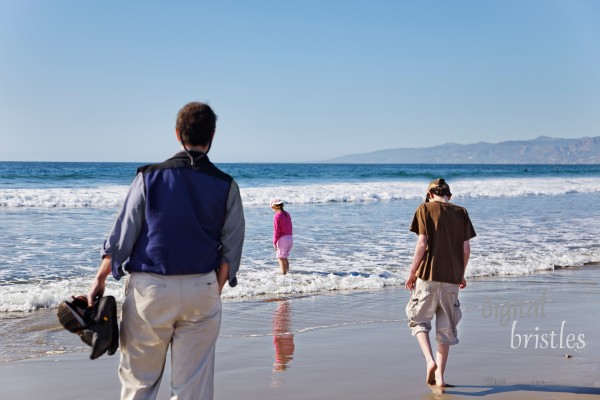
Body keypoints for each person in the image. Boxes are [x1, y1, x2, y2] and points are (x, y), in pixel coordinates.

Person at [87, 101, 245, 400]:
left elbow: (123, 235)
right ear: (212, 136)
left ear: (177, 134)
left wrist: (100, 278)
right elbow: (231, 248)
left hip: (151, 291)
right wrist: (215, 288)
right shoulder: (227, 185)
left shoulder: (148, 177)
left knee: (139, 385)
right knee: (192, 390)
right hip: (202, 288)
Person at [405, 178, 476, 387]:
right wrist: (461, 274)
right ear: (449, 196)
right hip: (452, 279)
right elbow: (466, 250)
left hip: (426, 276)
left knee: (418, 320)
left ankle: (429, 361)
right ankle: (441, 378)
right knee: (445, 330)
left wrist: (412, 273)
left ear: (430, 195)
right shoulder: (461, 212)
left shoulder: (424, 209)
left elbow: (422, 243)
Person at [271, 198, 293, 274]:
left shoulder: (277, 216)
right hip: (290, 238)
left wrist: (274, 241)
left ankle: (283, 275)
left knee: (280, 258)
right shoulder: (287, 214)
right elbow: (290, 226)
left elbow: (276, 231)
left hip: (282, 239)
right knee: (285, 257)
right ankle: (288, 273)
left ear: (274, 206)